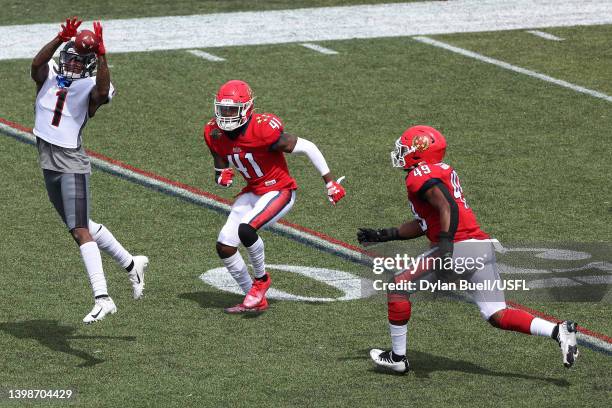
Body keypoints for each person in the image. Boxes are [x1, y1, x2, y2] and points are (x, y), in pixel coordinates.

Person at [357, 125, 578, 373]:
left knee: (398, 286)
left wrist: (446, 245)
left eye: (406, 148)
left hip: (459, 247)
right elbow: (426, 222)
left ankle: (398, 357)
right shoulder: (439, 171)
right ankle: (558, 330)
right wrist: (385, 234)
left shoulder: (418, 174)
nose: (400, 152)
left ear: (420, 152)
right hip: (481, 248)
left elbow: (447, 206)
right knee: (497, 314)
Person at [31, 17, 148, 324]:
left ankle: (103, 297)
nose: (70, 64)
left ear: (89, 64)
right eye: (69, 56)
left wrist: (104, 56)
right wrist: (59, 38)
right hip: (47, 158)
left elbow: (103, 91)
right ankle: (130, 262)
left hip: (71, 163)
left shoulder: (90, 87)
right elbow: (36, 64)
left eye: (78, 60)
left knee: (80, 230)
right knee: (79, 225)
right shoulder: (50, 74)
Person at [204, 80, 346, 313]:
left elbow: (308, 147)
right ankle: (253, 296)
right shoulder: (213, 132)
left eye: (232, 110)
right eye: (223, 109)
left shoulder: (262, 129)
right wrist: (222, 178)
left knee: (246, 229)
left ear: (247, 108)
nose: (227, 115)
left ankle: (261, 281)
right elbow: (220, 169)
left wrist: (329, 181)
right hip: (252, 190)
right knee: (225, 246)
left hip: (279, 189)